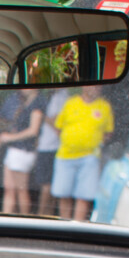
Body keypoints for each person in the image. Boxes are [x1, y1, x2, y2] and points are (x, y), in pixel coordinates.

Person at [51, 84, 114, 221]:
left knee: (84, 195)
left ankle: (76, 227)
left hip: (90, 157)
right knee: (63, 193)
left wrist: (95, 143)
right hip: (65, 155)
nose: (96, 89)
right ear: (84, 87)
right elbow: (58, 127)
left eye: (98, 87)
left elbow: (108, 133)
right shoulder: (70, 103)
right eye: (93, 86)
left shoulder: (104, 107)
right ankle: (65, 225)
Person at [0, 89, 46, 215]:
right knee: (9, 189)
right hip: (14, 149)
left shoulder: (38, 103)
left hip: (23, 151)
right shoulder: (24, 101)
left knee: (21, 190)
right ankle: (5, 219)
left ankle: (25, 220)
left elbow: (33, 130)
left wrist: (9, 137)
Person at [34, 89, 71, 217]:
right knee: (46, 184)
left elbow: (57, 124)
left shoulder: (62, 97)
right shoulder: (52, 96)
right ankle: (46, 215)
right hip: (46, 145)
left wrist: (41, 115)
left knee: (47, 184)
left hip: (51, 147)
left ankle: (41, 216)